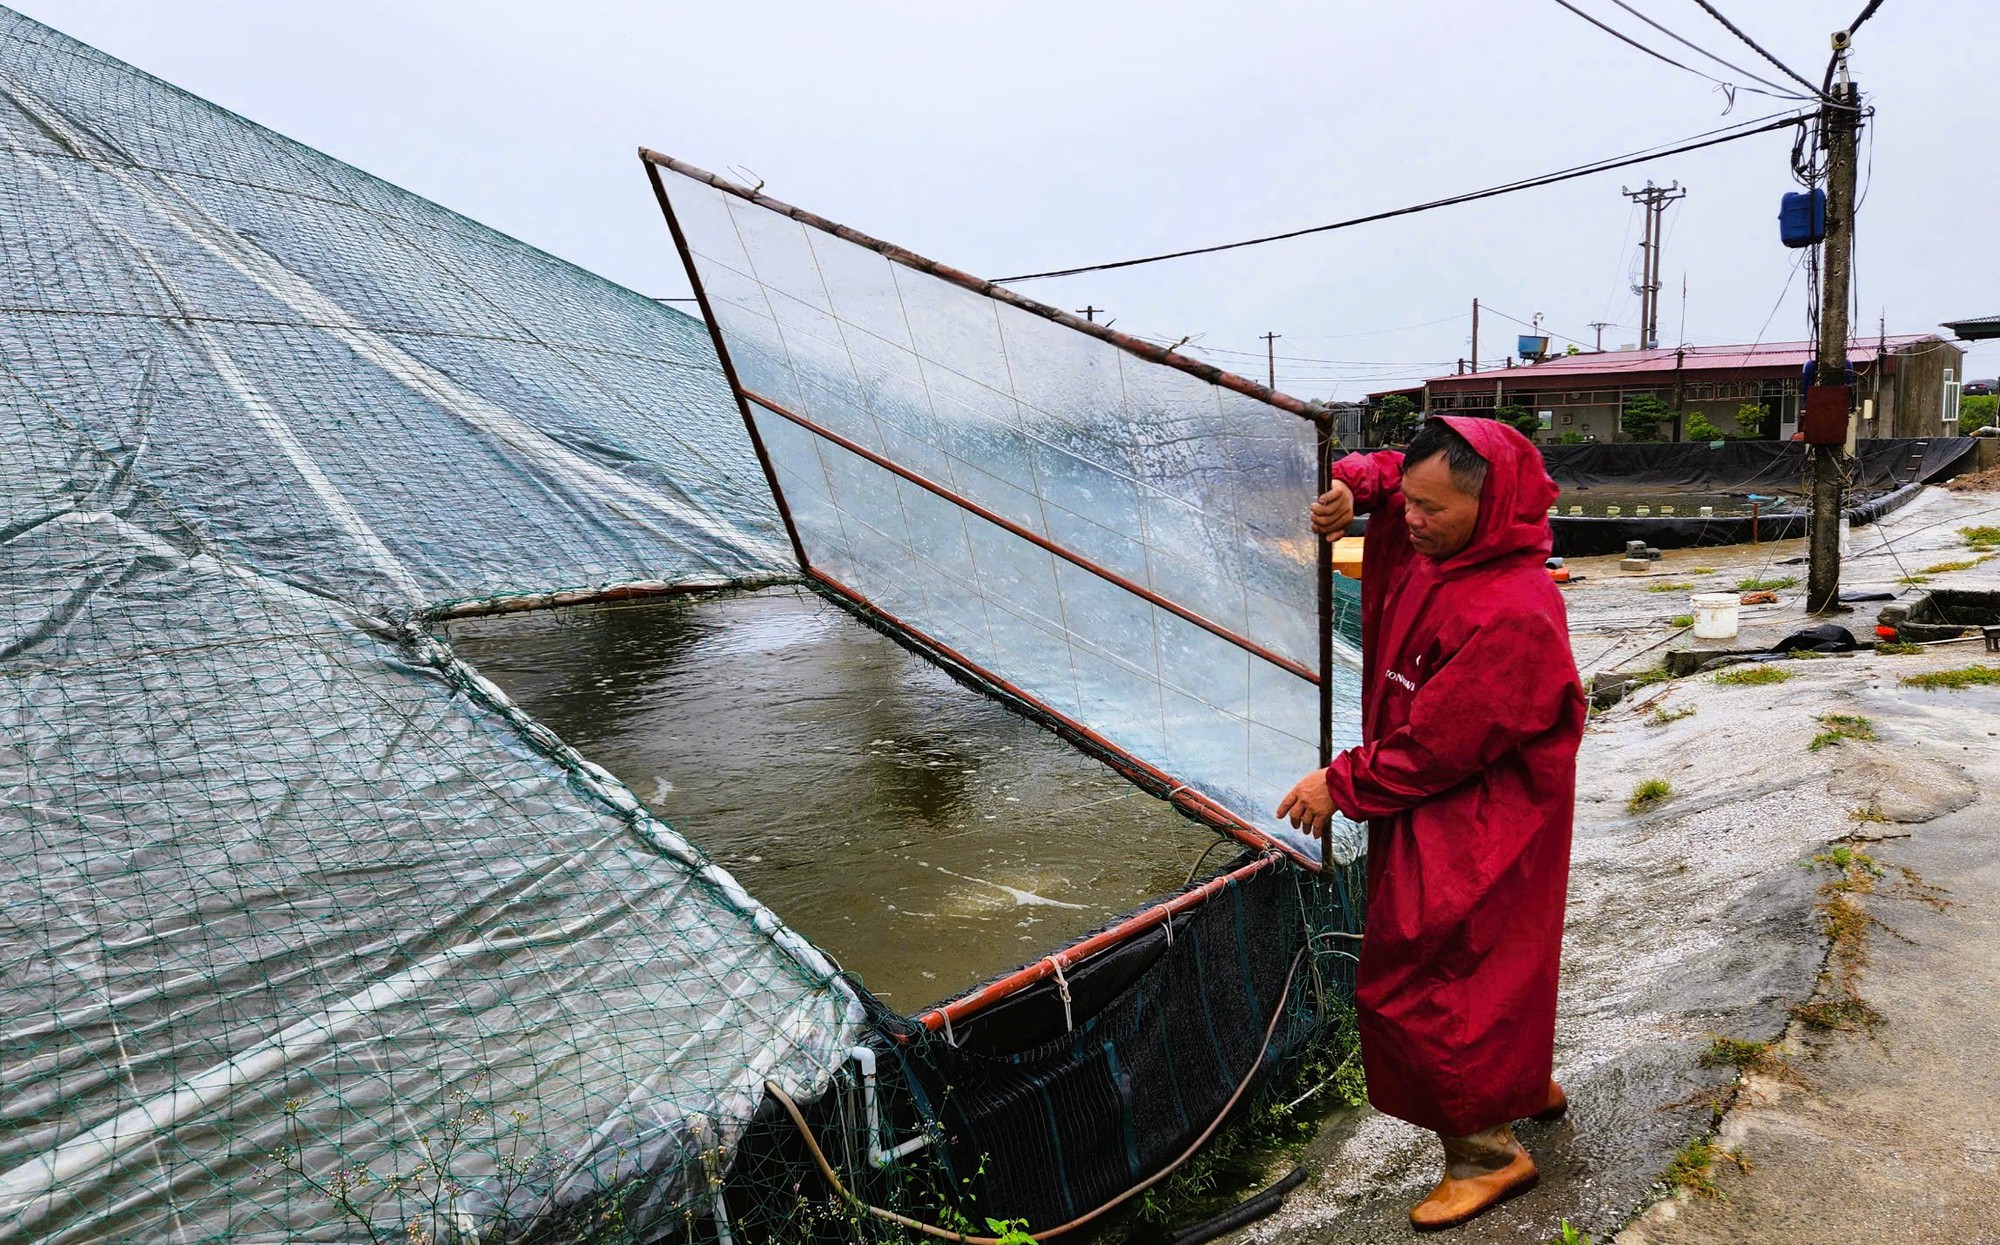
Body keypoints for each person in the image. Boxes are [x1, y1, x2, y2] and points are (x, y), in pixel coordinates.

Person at [1275, 416, 1586, 1231]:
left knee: (1433, 963)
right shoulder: (1444, 550)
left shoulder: (1512, 609)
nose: (1408, 523)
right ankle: (1515, 1081)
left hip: (1480, 810)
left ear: (1489, 509)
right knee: (1503, 954)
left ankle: (1485, 1150)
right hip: (1453, 800)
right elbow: (1382, 474)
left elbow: (1439, 747)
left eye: (1429, 511)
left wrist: (1339, 783)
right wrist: (1355, 485)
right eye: (1406, 503)